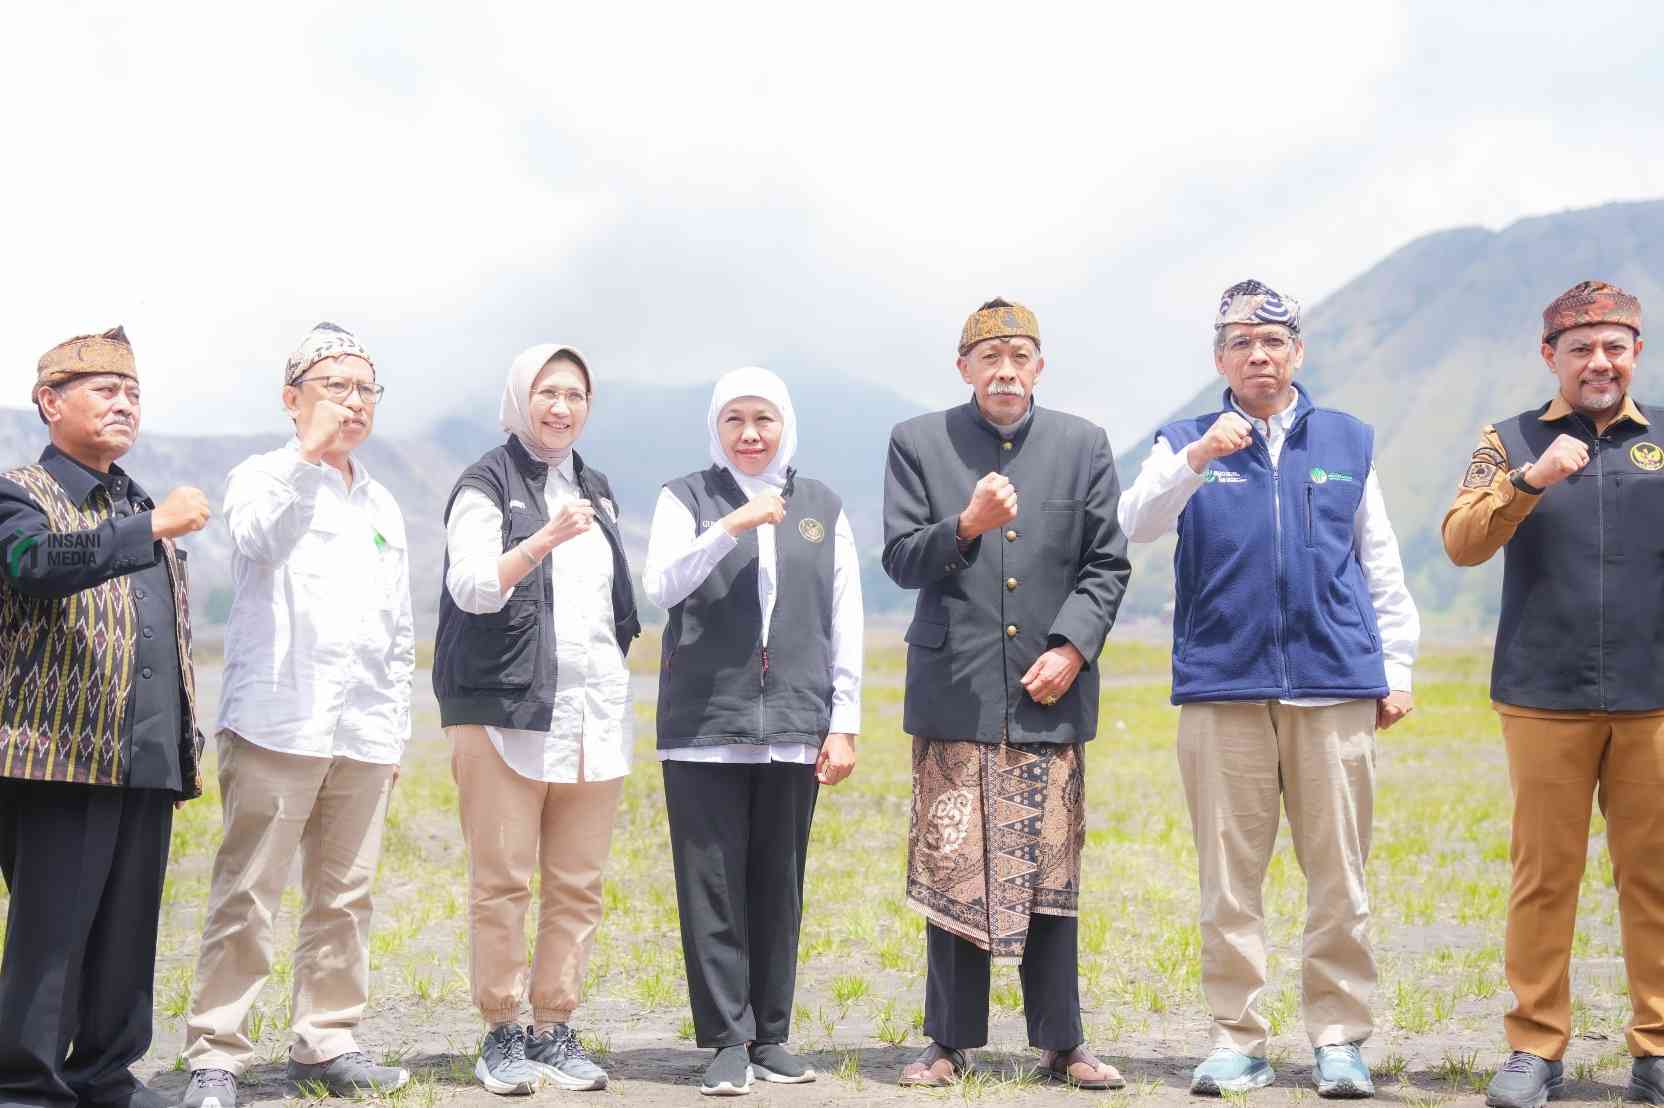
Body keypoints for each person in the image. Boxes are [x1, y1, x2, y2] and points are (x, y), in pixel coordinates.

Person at [1118, 280, 1419, 1098]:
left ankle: (1338, 1038)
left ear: (1298, 352)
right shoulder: (1183, 439)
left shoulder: (1349, 439)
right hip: (1224, 690)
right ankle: (1235, 1038)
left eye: (1274, 341)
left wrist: (1398, 669)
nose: (1260, 355)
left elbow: (1380, 563)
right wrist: (1198, 457)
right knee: (1229, 879)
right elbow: (1134, 522)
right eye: (1242, 343)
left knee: (1340, 877)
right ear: (1220, 358)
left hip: (1334, 686)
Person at [882, 299, 1130, 1090]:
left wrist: (1072, 646)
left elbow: (1106, 564)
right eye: (989, 359)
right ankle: (948, 1043)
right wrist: (966, 524)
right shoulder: (918, 442)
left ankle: (1063, 1042)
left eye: (1020, 356)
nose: (1005, 371)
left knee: (1051, 875)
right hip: (956, 691)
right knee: (956, 870)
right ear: (964, 368)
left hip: (1047, 696)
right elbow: (899, 557)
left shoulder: (1083, 445)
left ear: (1039, 366)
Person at [179, 323, 413, 1107]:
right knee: (249, 891)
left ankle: (326, 1041)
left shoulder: (380, 498)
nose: (352, 402)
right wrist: (307, 455)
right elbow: (256, 535)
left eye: (364, 389)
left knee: (345, 896)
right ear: (291, 399)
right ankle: (217, 1049)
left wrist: (394, 730)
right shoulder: (263, 475)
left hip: (362, 730)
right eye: (334, 387)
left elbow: (396, 627)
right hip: (279, 721)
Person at [1443, 280, 1664, 1108]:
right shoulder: (1508, 440)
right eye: (1580, 349)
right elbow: (1461, 543)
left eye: (1614, 347)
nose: (1598, 362)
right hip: (1543, 694)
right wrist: (1530, 480)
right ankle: (1535, 1046)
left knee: (1655, 875)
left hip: (1654, 696)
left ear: (1635, 351)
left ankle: (1655, 1049)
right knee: (1545, 877)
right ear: (1551, 356)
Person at [0, 326, 210, 1108]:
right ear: (50, 402)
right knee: (53, 934)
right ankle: (24, 1087)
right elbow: (32, 567)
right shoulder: (19, 492)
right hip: (56, 753)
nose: (124, 403)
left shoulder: (135, 498)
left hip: (144, 753)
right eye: (104, 390)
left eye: (132, 393)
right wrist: (148, 530)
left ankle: (105, 1077)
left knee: (127, 932)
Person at [643, 366, 862, 1097]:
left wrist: (845, 723)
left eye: (762, 419)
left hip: (795, 724)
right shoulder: (686, 498)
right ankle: (725, 1041)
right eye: (734, 419)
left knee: (779, 883)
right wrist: (729, 526)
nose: (749, 434)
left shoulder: (822, 506)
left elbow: (846, 619)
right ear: (716, 427)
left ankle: (771, 1033)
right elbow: (662, 586)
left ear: (785, 425)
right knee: (711, 887)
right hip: (704, 724)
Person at [434, 343, 639, 1095]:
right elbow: (472, 586)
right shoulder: (485, 483)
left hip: (590, 712)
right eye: (547, 393)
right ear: (521, 399)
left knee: (579, 883)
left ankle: (555, 1026)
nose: (561, 408)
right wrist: (543, 541)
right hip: (503, 714)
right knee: (504, 881)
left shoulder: (597, 485)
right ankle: (500, 1032)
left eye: (575, 395)